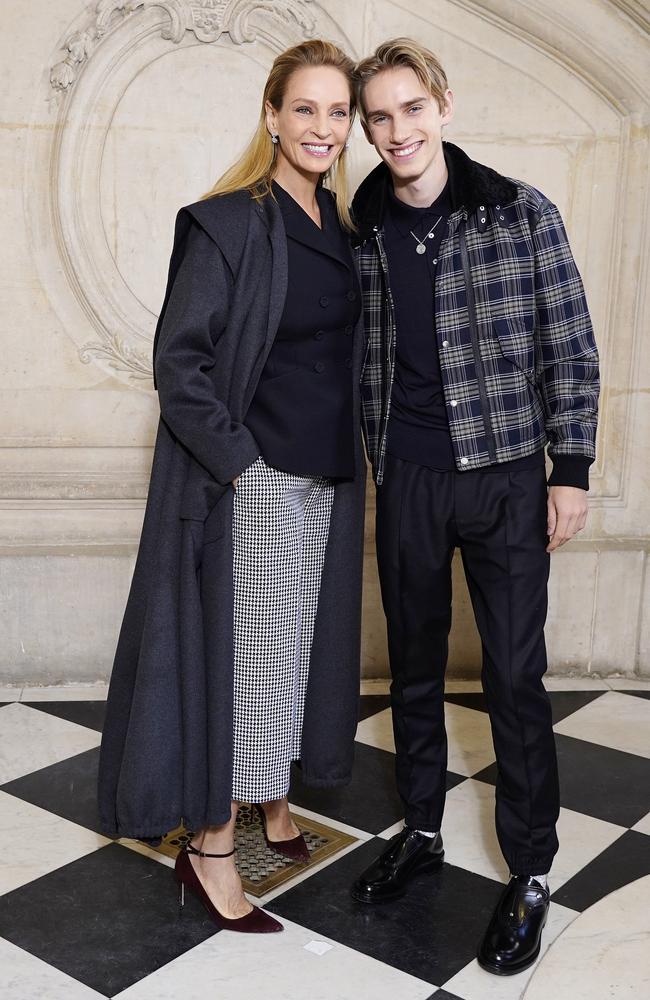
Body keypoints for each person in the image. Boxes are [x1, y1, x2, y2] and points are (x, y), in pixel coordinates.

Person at [98, 39, 366, 935]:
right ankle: (211, 847)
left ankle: (270, 804)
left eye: (337, 112)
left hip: (327, 476)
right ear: (272, 115)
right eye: (305, 109)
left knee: (292, 663)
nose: (322, 127)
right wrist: (242, 465)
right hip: (257, 479)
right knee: (248, 670)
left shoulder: (341, 229)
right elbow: (181, 365)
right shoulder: (229, 221)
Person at [349, 38, 599, 975]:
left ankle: (531, 871)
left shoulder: (518, 212)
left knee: (513, 678)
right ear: (369, 130)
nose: (398, 129)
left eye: (412, 108)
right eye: (380, 116)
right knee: (411, 669)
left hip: (504, 477)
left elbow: (571, 345)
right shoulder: (362, 227)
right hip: (407, 477)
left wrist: (567, 469)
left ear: (443, 107)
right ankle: (420, 829)